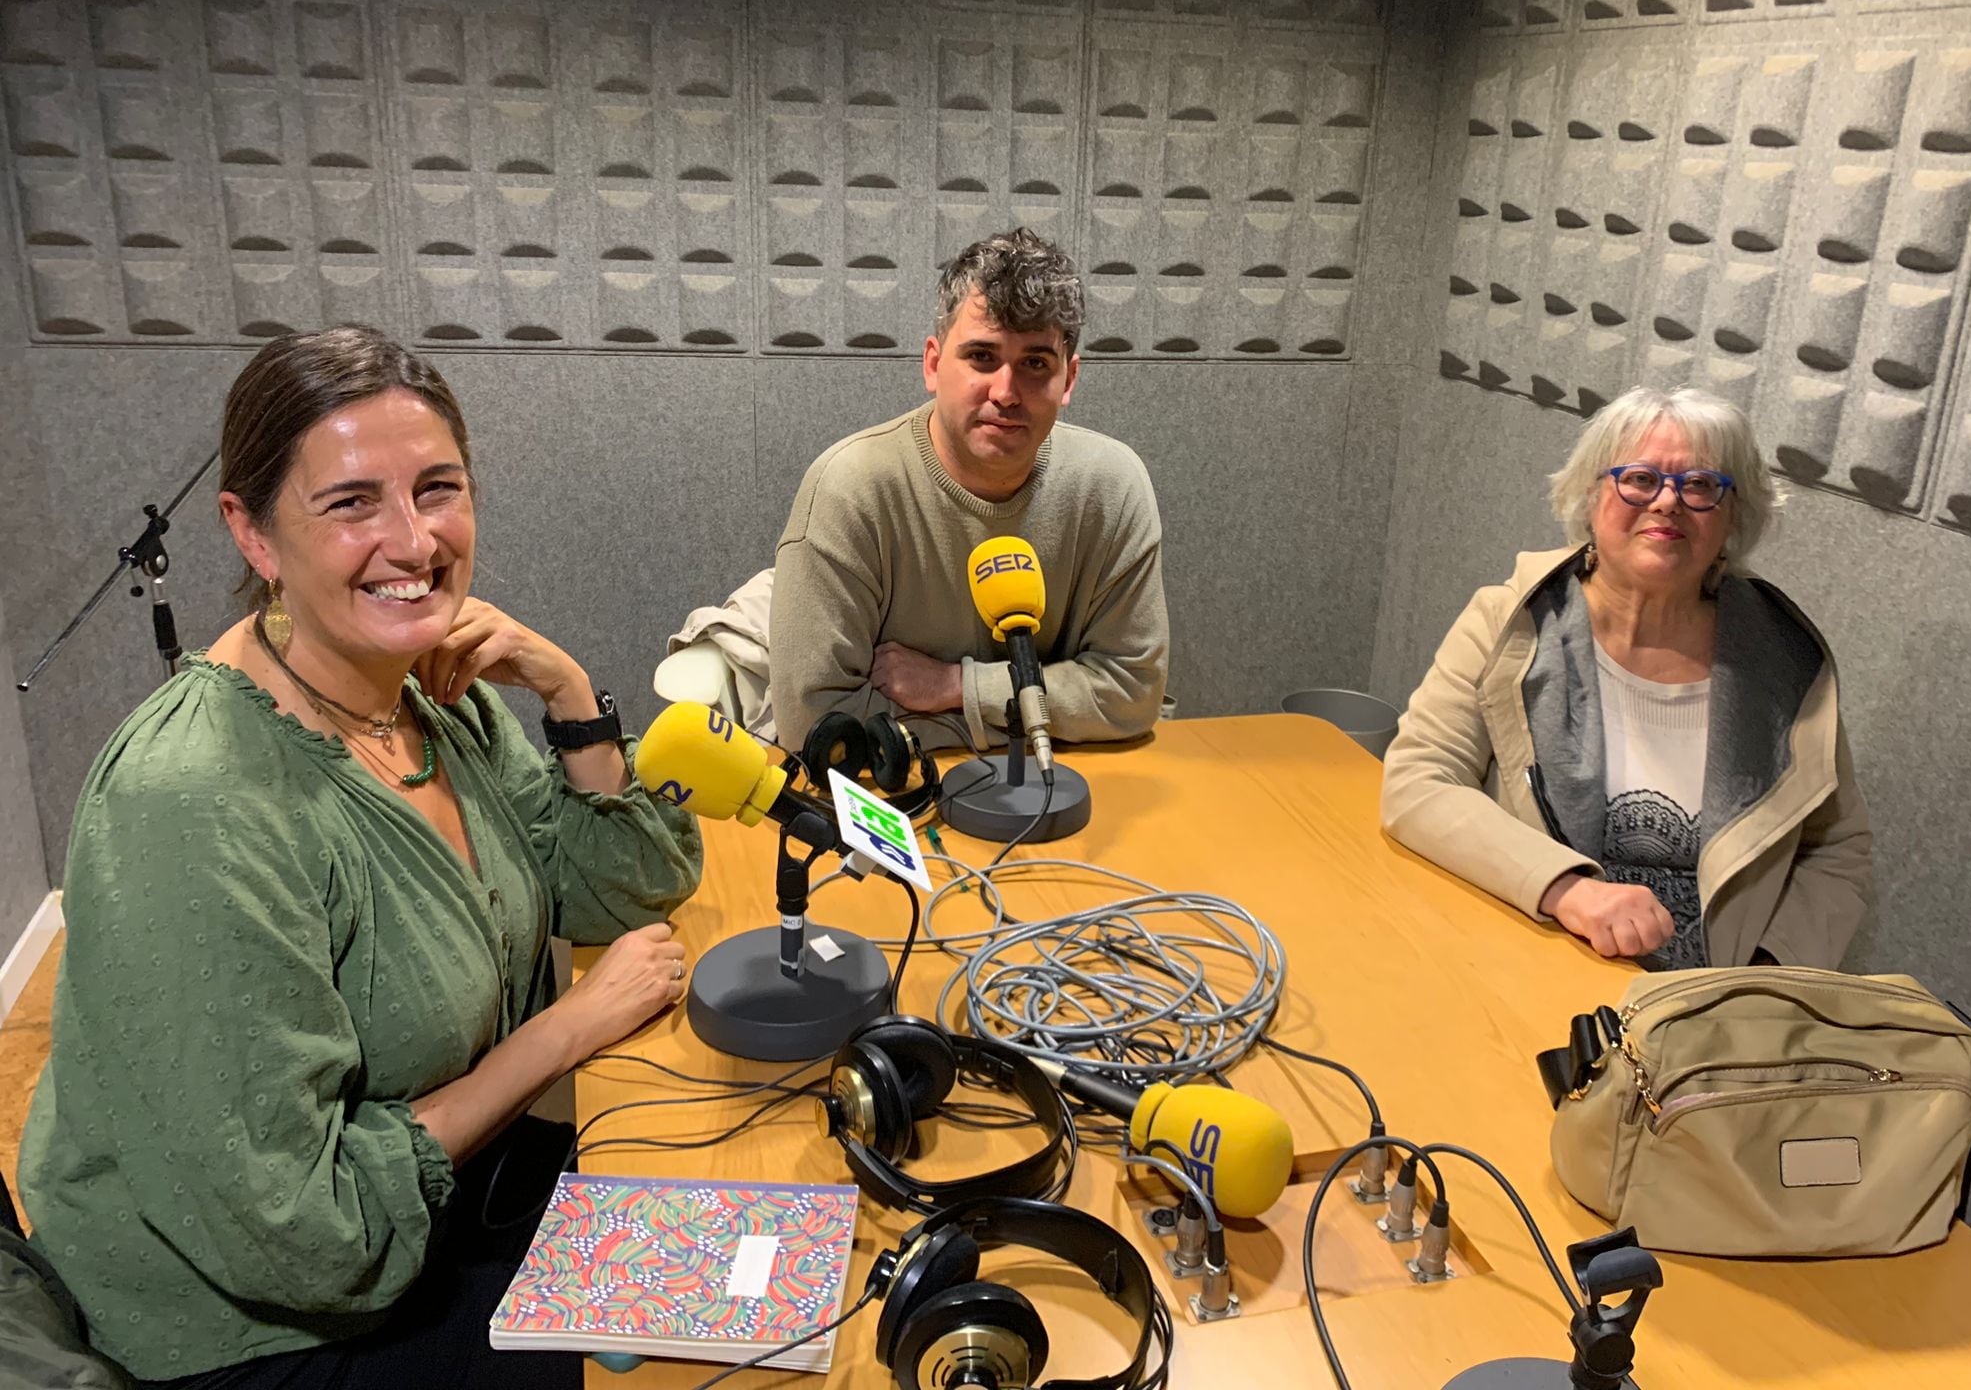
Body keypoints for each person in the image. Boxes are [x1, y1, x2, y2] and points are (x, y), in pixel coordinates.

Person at [19, 327, 704, 1388]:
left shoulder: (427, 693)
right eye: (351, 504)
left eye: (438, 489)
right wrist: (564, 1032)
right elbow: (302, 1231)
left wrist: (568, 692)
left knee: (729, 1241)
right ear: (252, 535)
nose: (414, 541)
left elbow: (619, 890)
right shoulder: (192, 799)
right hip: (269, 1329)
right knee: (680, 1366)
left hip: (441, 1202)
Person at [1380, 386, 1871, 970]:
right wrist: (1567, 891)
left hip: (1714, 1001)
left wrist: (1767, 978)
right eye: (1639, 479)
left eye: (1700, 485)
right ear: (1591, 496)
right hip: (1534, 952)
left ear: (1733, 516)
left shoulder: (1786, 657)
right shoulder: (1510, 621)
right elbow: (1420, 781)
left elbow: (1836, 848)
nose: (1667, 503)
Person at [770, 227, 1169, 754]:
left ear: (1068, 380)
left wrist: (955, 688)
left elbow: (1133, 692)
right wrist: (1042, 712)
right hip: (907, 796)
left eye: (1034, 363)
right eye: (982, 357)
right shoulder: (850, 489)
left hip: (1067, 783)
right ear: (933, 364)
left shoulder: (1112, 486)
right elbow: (816, 727)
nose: (1005, 393)